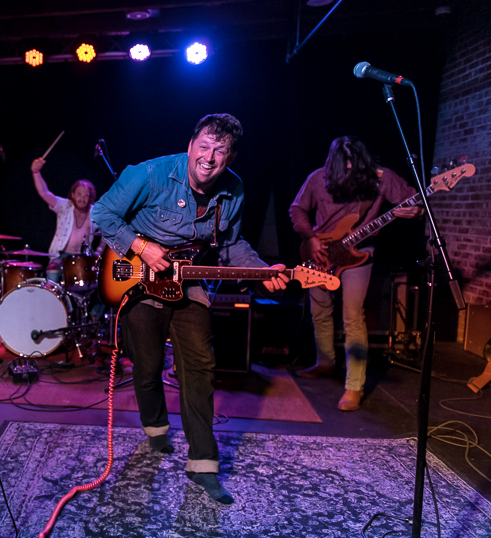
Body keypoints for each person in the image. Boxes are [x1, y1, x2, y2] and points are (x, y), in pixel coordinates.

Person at [91, 114, 288, 505]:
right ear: (191, 144)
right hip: (137, 279)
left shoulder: (234, 190)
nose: (209, 158)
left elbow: (230, 245)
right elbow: (102, 213)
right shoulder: (149, 174)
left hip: (189, 282)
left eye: (220, 151)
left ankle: (203, 464)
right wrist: (141, 247)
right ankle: (155, 427)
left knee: (200, 366)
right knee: (147, 365)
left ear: (231, 157)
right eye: (204, 146)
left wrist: (261, 271)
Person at [290, 136, 421, 411]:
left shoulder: (382, 178)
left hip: (360, 253)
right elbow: (297, 209)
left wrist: (417, 211)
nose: (349, 171)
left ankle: (355, 386)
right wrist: (310, 238)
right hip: (322, 251)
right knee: (320, 311)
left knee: (352, 316)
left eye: (354, 166)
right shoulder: (318, 178)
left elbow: (414, 201)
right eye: (344, 168)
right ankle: (325, 363)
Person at [30, 157, 99, 282]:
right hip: (59, 256)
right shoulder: (64, 206)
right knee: (53, 270)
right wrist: (36, 172)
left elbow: (109, 231)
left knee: (95, 279)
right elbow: (44, 192)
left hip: (84, 258)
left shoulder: (95, 212)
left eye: (86, 196)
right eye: (79, 194)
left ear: (90, 197)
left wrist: (99, 250)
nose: (82, 199)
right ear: (72, 195)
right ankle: (52, 292)